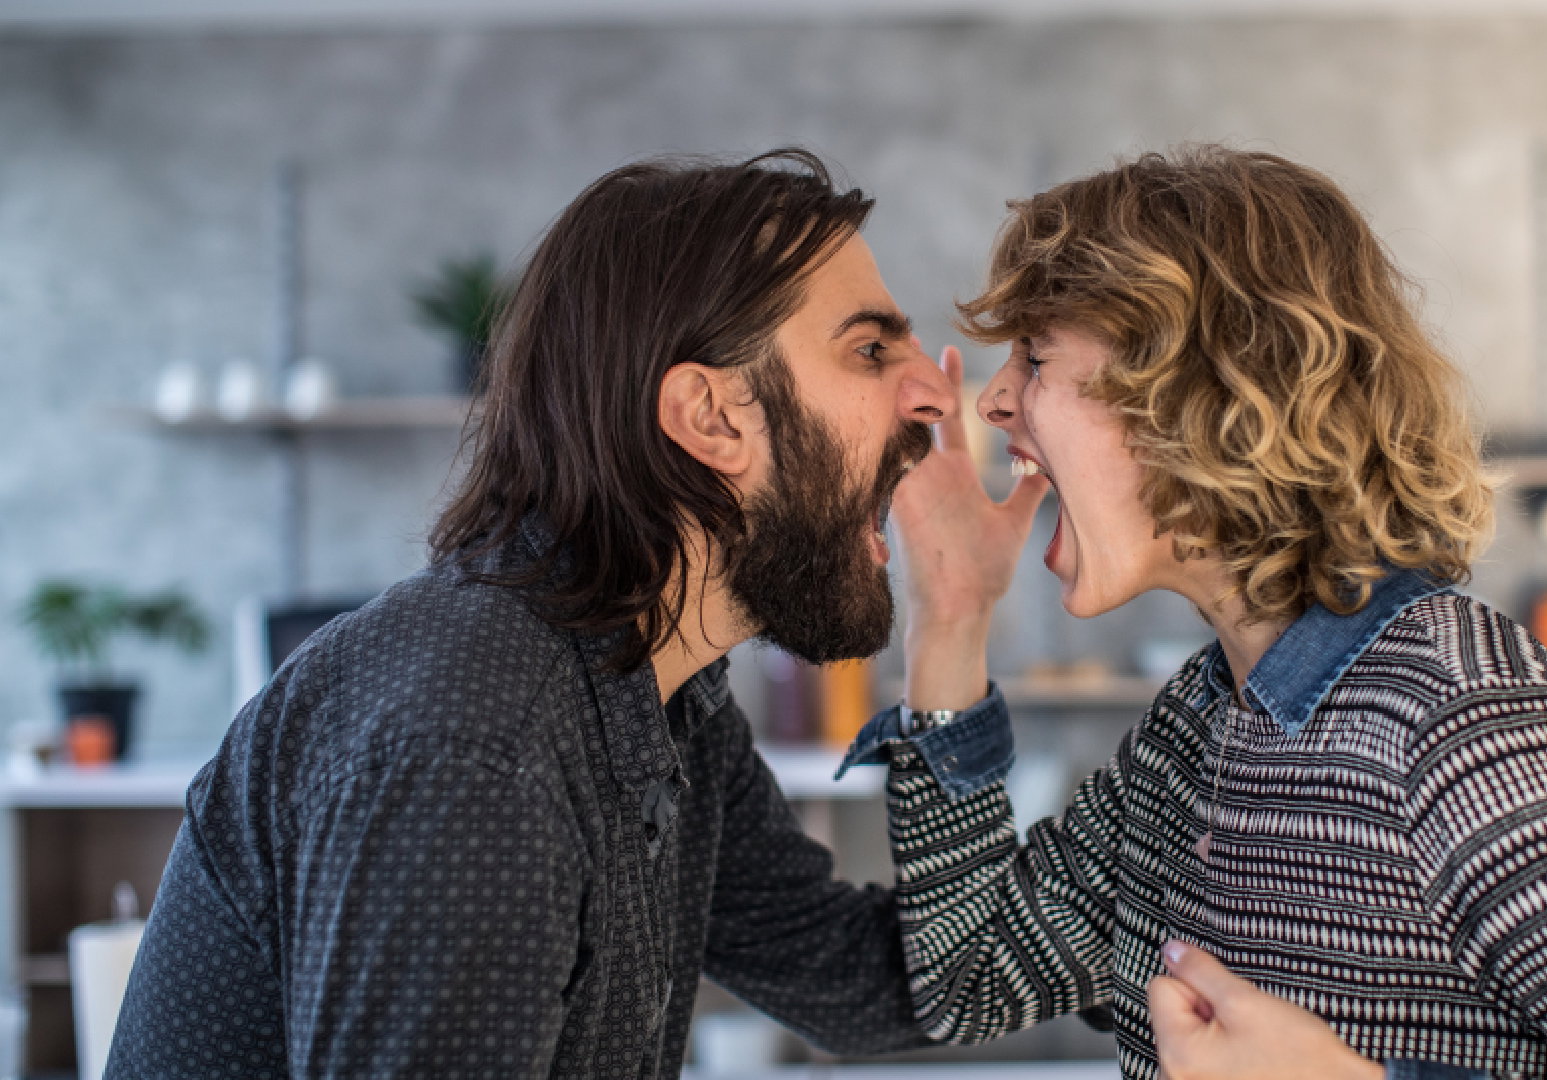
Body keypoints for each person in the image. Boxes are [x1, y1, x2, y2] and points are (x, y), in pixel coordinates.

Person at [846, 146, 1547, 1079]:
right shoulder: (1198, 724)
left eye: (1033, 354)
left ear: (1204, 387)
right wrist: (955, 611)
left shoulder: (1473, 729)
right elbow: (967, 975)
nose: (997, 403)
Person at [108, 149, 963, 1079]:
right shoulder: (478, 743)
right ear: (711, 418)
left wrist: (958, 615)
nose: (936, 392)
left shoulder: (663, 690)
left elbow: (880, 981)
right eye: (870, 350)